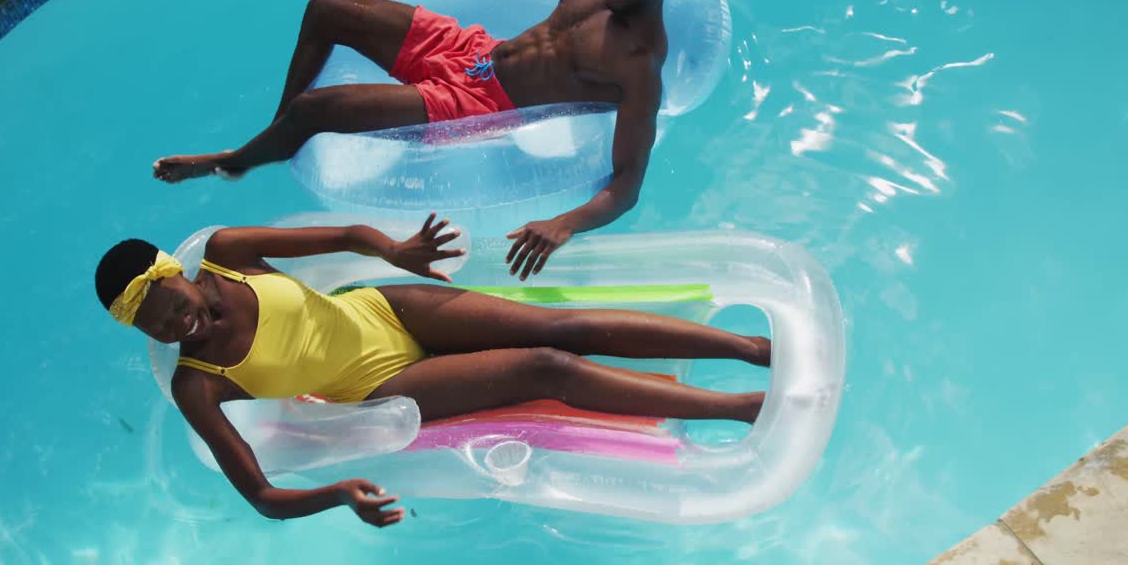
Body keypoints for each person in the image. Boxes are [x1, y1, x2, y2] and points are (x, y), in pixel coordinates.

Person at [95, 214, 769, 527]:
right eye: (158, 328)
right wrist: (338, 495)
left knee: (561, 325)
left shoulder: (229, 252)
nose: (178, 327)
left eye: (173, 306)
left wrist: (395, 251)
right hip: (378, 385)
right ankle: (742, 407)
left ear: (177, 273)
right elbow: (263, 497)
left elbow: (346, 236)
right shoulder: (197, 382)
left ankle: (749, 347)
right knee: (548, 367)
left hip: (384, 309)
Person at [152, 0, 686, 280]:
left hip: (481, 106)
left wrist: (563, 224)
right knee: (324, 10)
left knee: (316, 110)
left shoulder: (639, 64)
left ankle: (234, 161)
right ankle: (276, 131)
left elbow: (628, 184)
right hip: (473, 49)